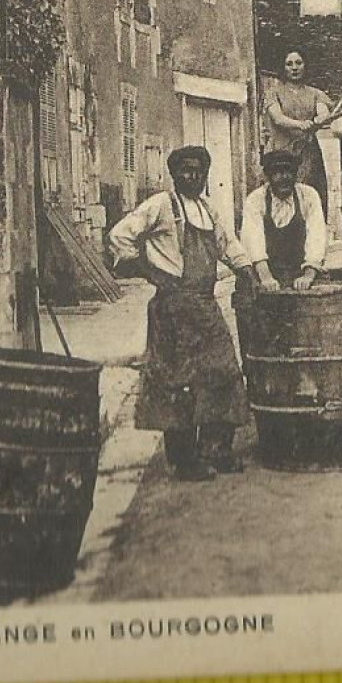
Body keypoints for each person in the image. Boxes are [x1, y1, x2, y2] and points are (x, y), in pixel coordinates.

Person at [108, 146, 255, 481]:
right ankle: (184, 460)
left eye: (198, 171)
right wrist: (146, 269)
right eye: (186, 171)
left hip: (204, 304)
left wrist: (247, 271)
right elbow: (120, 235)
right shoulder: (161, 205)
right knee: (177, 382)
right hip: (172, 307)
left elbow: (226, 245)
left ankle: (216, 450)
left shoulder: (208, 209)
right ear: (175, 176)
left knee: (223, 372)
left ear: (205, 176)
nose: (193, 177)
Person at [240, 148, 328, 291]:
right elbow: (253, 240)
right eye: (277, 173)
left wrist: (308, 275)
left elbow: (317, 235)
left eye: (289, 172)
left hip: (300, 272)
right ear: (268, 176)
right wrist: (266, 277)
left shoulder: (308, 195)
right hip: (265, 273)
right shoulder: (256, 199)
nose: (284, 178)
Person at [262, 47, 333, 215]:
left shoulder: (315, 93)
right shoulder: (274, 93)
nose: (294, 68)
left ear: (305, 65)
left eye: (299, 63)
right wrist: (301, 124)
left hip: (307, 154)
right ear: (283, 67)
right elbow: (278, 118)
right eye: (289, 64)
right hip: (281, 152)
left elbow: (324, 112)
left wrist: (319, 119)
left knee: (309, 195)